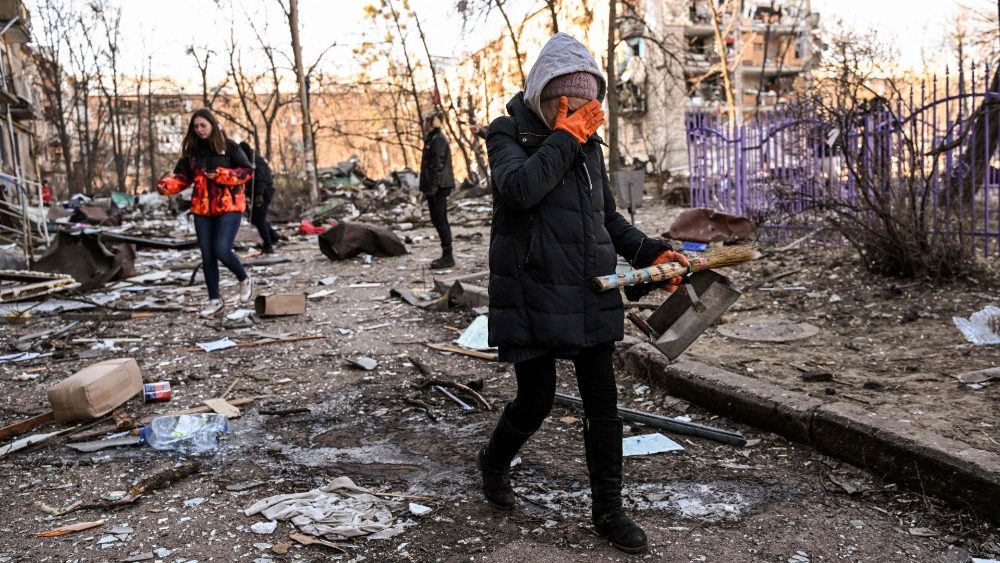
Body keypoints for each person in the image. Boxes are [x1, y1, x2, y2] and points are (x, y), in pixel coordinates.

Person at [479, 33, 689, 555]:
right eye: (568, 103)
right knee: (536, 400)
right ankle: (493, 461)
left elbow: (607, 220)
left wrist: (652, 254)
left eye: (587, 104)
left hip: (589, 288)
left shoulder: (588, 145)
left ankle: (609, 512)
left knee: (604, 404)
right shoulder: (507, 133)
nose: (578, 112)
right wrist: (566, 138)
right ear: (545, 96)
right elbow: (520, 191)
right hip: (532, 292)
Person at [157, 108, 255, 317]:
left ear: (212, 124)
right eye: (196, 127)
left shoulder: (229, 147)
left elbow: (246, 171)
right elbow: (182, 177)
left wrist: (222, 174)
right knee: (207, 254)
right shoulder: (192, 154)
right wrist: (168, 186)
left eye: (203, 125)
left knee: (221, 249)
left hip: (229, 206)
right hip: (202, 209)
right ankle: (214, 299)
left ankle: (244, 278)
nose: (200, 130)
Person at [419, 112, 456, 269]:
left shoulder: (438, 139)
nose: (425, 124)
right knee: (437, 220)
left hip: (438, 187)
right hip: (435, 186)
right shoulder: (433, 138)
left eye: (428, 121)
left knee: (440, 220)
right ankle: (446, 255)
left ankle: (448, 257)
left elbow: (438, 165)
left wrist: (433, 188)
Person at [238, 141, 280, 254]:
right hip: (256, 193)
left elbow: (261, 178)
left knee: (259, 218)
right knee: (255, 218)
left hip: (263, 192)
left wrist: (259, 194)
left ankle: (268, 244)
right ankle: (273, 236)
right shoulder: (247, 160)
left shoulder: (255, 160)